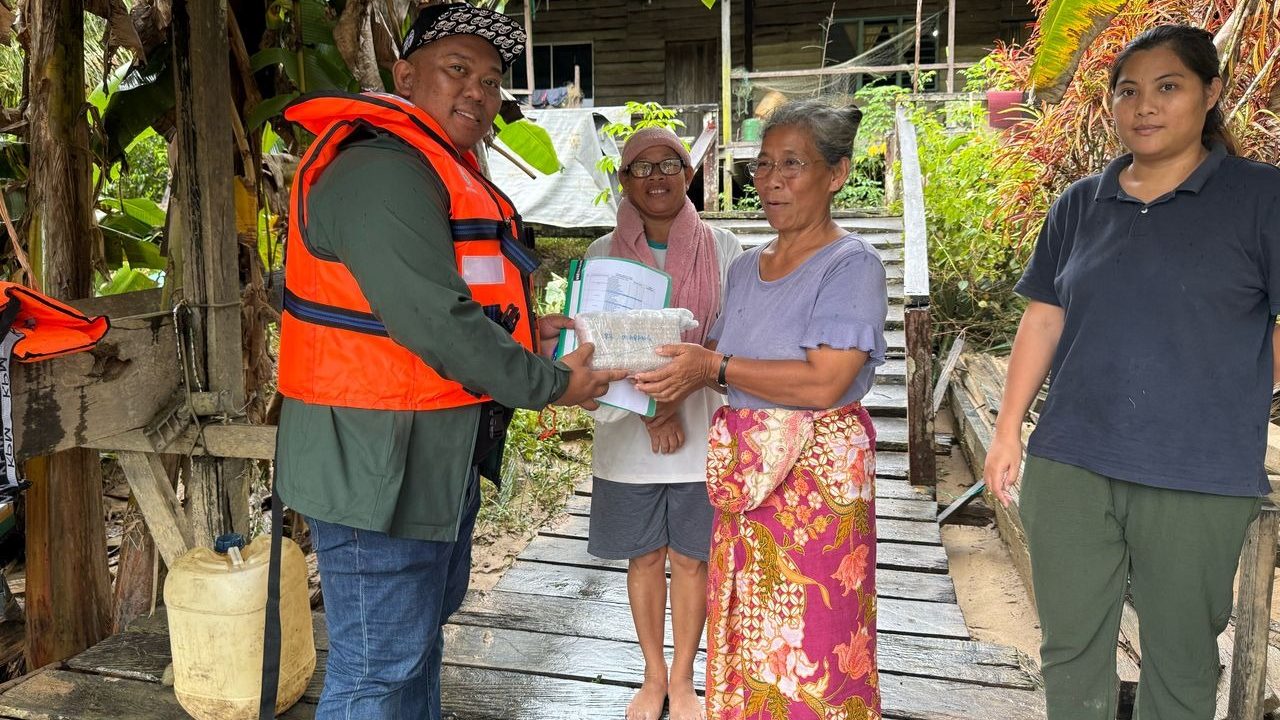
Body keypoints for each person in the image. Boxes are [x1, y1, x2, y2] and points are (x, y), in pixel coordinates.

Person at [271, 4, 624, 719]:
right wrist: (554, 383)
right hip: (377, 465)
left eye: (492, 81)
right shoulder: (380, 171)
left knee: (412, 653)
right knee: (377, 672)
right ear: (404, 77)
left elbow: (452, 299)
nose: (479, 93)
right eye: (457, 70)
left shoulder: (430, 164)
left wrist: (526, 330)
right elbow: (436, 322)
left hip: (428, 455)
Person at [983, 24, 1280, 720]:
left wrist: (1233, 386)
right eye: (1128, 92)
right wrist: (1006, 432)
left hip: (1198, 474)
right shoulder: (1080, 204)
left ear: (1209, 94)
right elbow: (1044, 318)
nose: (1144, 106)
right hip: (1071, 464)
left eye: (1167, 87)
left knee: (1180, 662)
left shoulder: (1262, 198)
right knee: (1070, 652)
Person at [635, 99, 888, 719]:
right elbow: (715, 354)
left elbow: (825, 383)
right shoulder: (747, 266)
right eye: (763, 164)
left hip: (817, 484)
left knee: (817, 636)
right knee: (748, 626)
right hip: (748, 477)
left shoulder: (851, 265)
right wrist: (645, 374)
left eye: (792, 165)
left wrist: (712, 369)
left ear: (837, 174)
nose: (771, 180)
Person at [583, 127, 742, 720]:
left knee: (692, 558)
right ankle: (651, 676)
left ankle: (683, 682)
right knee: (645, 556)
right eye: (641, 167)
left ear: (688, 173)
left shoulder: (724, 247)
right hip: (628, 436)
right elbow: (599, 344)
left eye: (668, 164)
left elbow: (733, 335)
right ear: (624, 182)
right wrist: (654, 408)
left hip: (702, 430)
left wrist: (679, 399)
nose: (656, 176)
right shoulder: (601, 256)